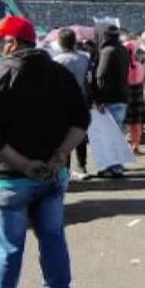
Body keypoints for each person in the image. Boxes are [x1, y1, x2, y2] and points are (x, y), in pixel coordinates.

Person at [0, 15, 90, 288]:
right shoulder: (61, 75)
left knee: (8, 246)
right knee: (53, 238)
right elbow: (81, 121)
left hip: (8, 178)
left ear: (11, 43)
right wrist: (58, 157)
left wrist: (24, 164)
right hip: (51, 176)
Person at [52, 28, 92, 180]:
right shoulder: (84, 58)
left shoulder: (56, 61)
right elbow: (89, 80)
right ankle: (81, 166)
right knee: (80, 133)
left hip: (62, 102)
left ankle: (65, 169)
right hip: (81, 98)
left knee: (64, 136)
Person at [91, 24, 130, 177]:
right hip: (122, 96)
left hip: (109, 98)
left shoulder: (107, 51)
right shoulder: (123, 49)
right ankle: (118, 165)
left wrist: (98, 98)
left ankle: (111, 167)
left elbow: (100, 75)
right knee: (117, 133)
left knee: (108, 135)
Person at [123, 38, 145, 154]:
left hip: (126, 94)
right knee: (137, 122)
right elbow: (143, 78)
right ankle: (136, 144)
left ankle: (128, 141)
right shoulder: (139, 65)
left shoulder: (123, 65)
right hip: (138, 94)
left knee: (126, 121)